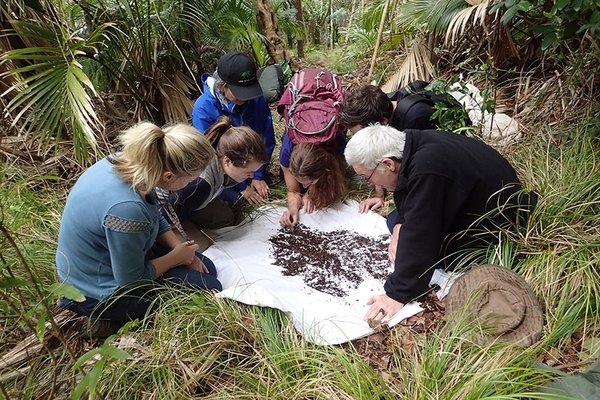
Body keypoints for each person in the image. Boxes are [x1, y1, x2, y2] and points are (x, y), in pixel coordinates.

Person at [344, 125, 536, 324]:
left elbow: (422, 235)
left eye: (367, 177)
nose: (368, 183)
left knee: (434, 255)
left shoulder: (428, 171)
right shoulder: (413, 142)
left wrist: (396, 294)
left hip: (498, 224)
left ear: (388, 164)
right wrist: (401, 225)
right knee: (394, 221)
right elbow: (411, 200)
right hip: (476, 199)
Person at [56, 122, 222, 336]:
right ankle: (104, 319)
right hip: (92, 289)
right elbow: (130, 279)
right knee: (209, 288)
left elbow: (154, 215)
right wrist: (175, 258)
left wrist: (181, 250)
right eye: (191, 178)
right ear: (169, 176)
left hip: (113, 256)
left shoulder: (137, 164)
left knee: (205, 266)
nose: (193, 182)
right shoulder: (126, 210)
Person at [168, 116, 267, 249]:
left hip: (194, 200)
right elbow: (170, 210)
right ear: (227, 161)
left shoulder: (222, 163)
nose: (251, 176)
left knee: (226, 216)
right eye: (247, 172)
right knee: (201, 246)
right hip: (168, 210)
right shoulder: (202, 183)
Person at [191, 51, 275, 205]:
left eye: (248, 92)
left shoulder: (256, 100)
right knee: (239, 202)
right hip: (224, 172)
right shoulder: (203, 108)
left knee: (268, 191)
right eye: (239, 93)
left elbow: (266, 138)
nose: (245, 98)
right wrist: (242, 186)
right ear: (223, 86)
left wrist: (257, 176)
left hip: (251, 166)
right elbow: (210, 155)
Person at [280, 142, 348, 227]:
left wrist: (310, 193)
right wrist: (293, 209)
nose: (304, 187)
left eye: (310, 182)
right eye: (301, 182)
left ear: (325, 171)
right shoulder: (286, 156)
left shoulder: (338, 147)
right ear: (291, 170)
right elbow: (293, 190)